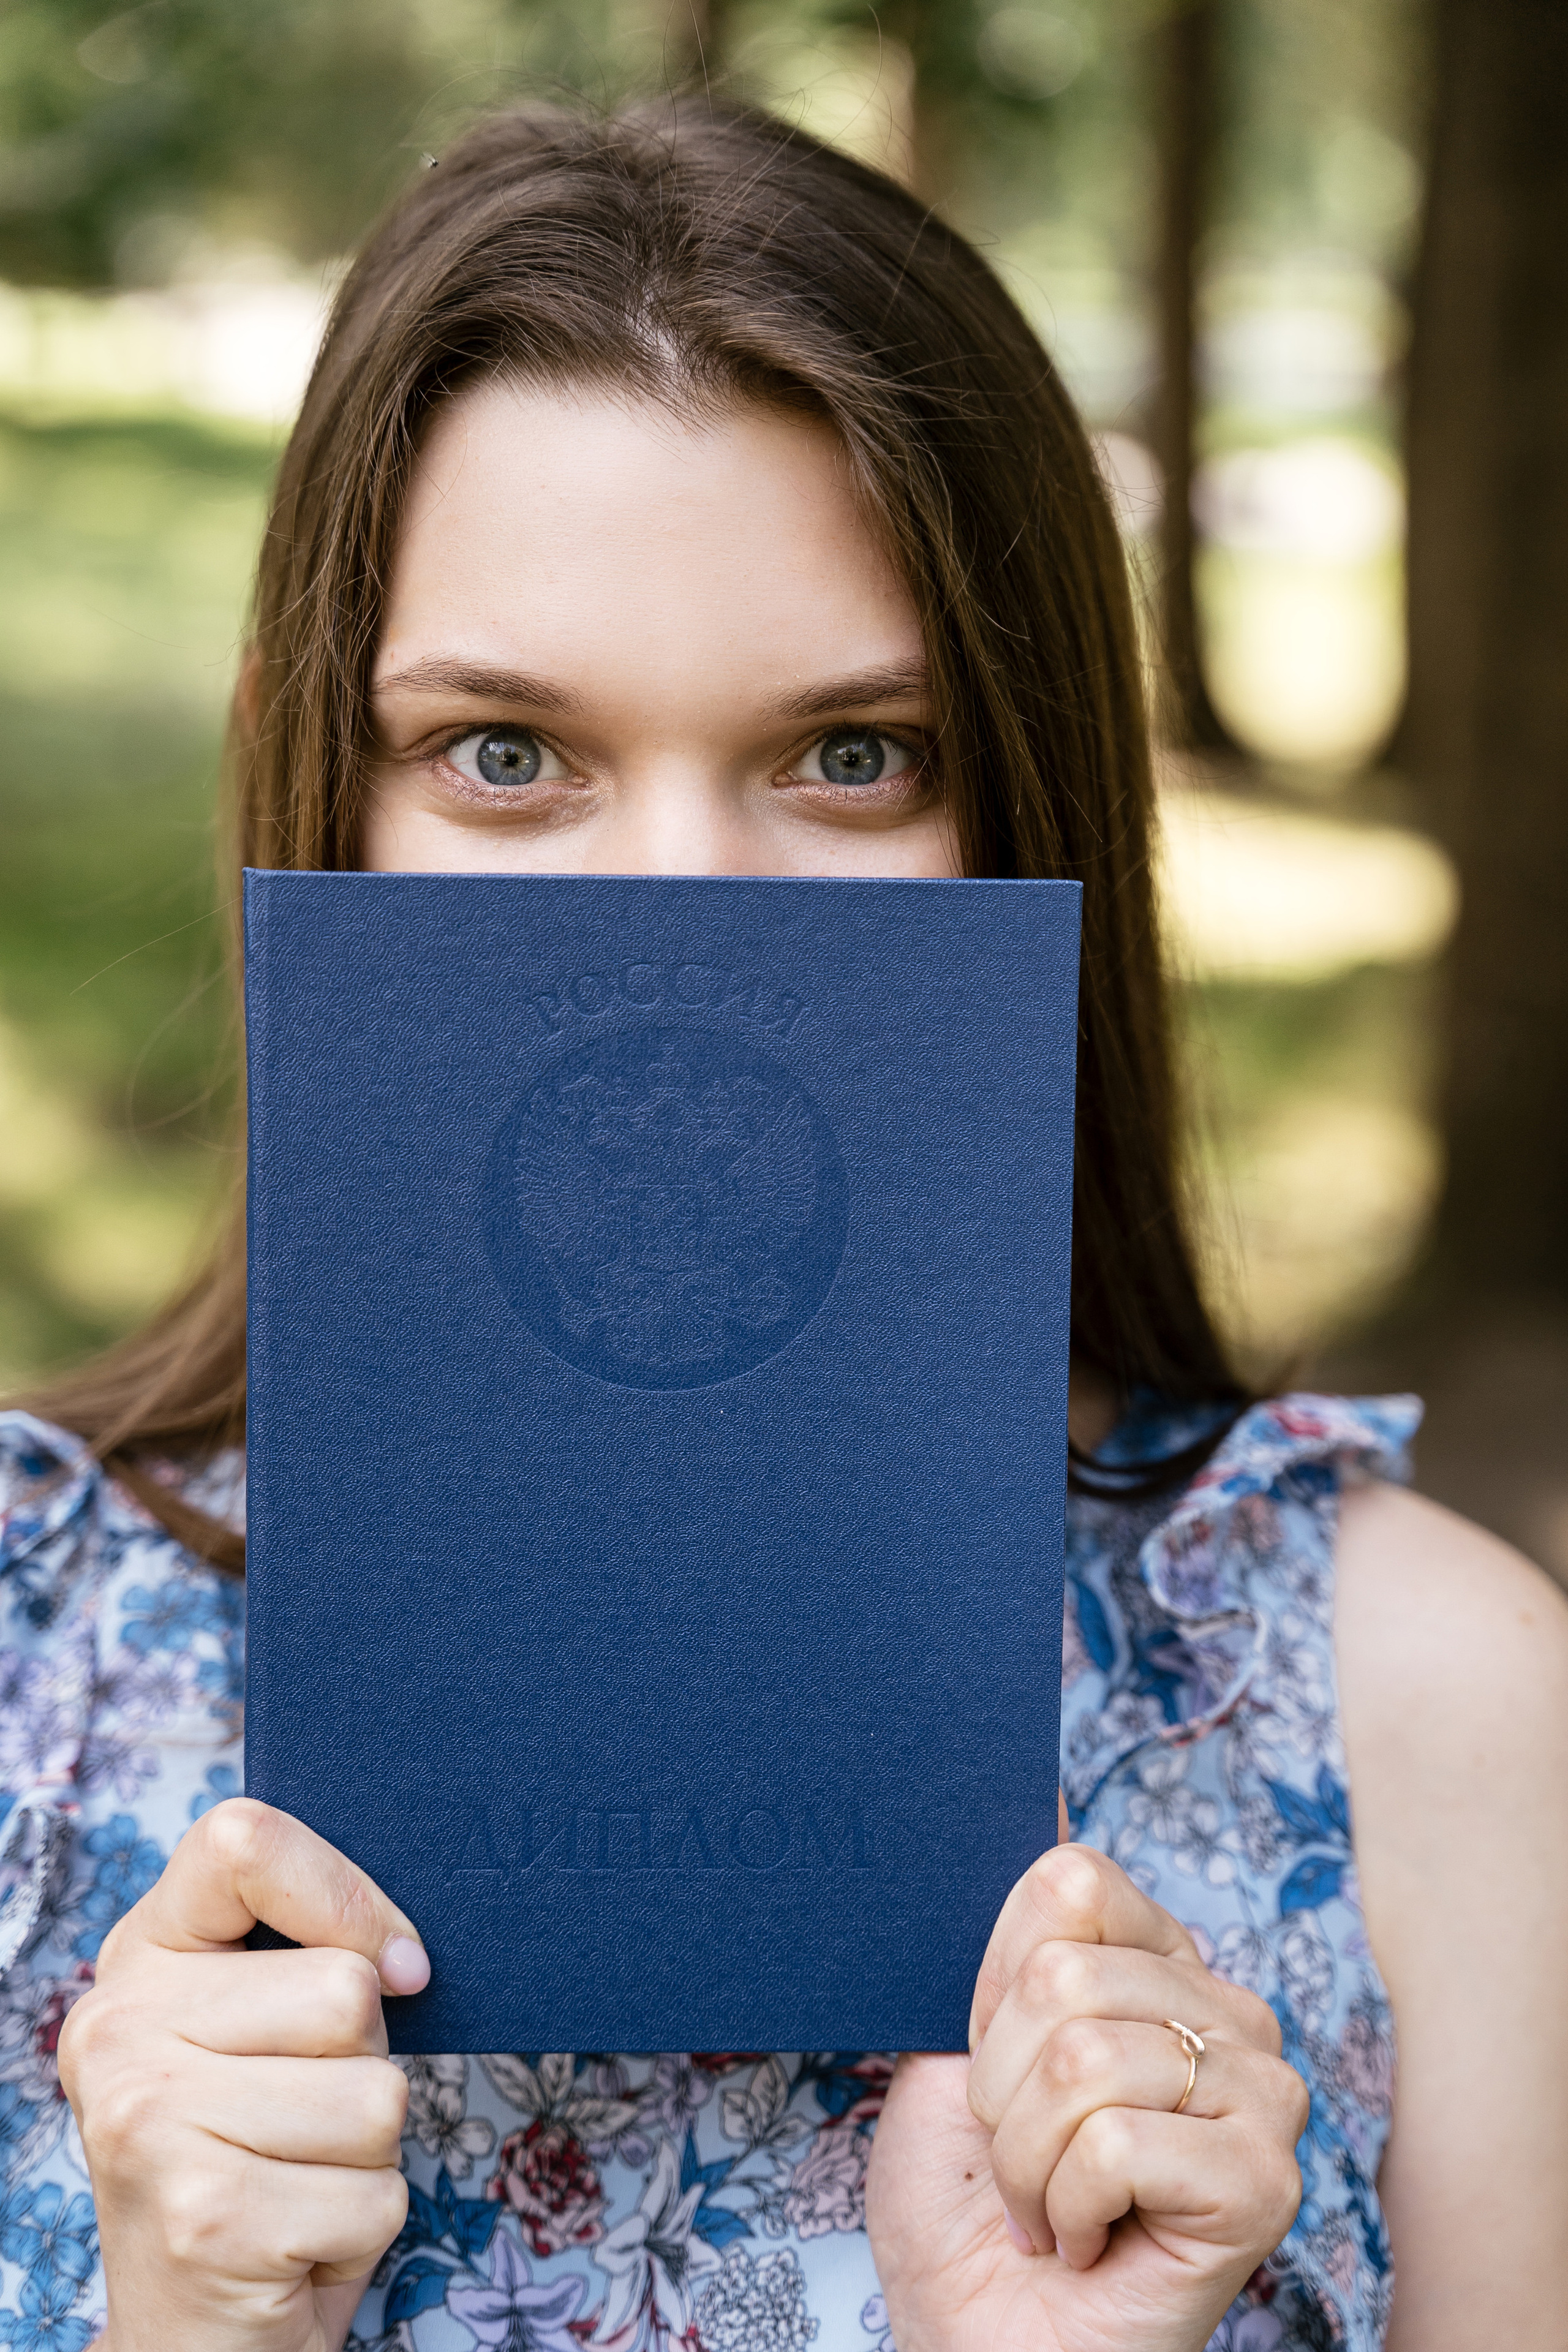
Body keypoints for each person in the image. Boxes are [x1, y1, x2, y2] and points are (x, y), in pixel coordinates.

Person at [0, 97, 1563, 2352]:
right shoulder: (31, 1677)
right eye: (506, 757)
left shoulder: (1426, 1708)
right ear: (308, 794)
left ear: (1036, 803)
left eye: (854, 757)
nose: (681, 917)